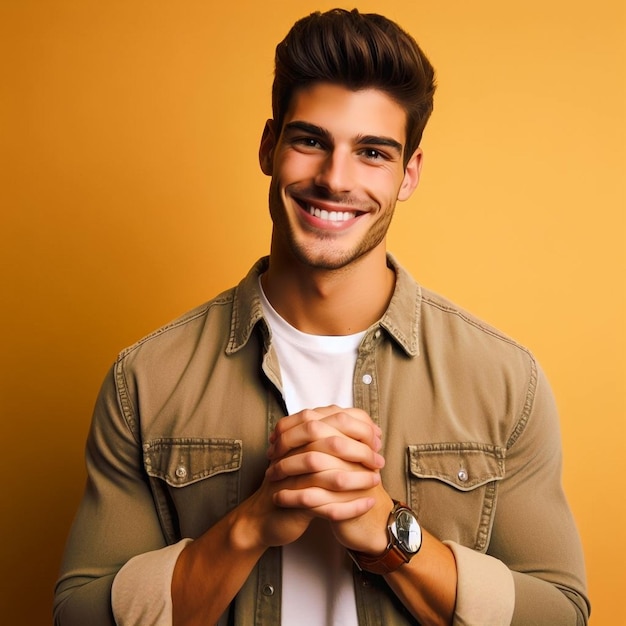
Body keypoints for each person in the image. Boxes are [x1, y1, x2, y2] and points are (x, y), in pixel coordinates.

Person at [54, 8, 590, 626]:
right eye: (310, 140)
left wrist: (387, 533)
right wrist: (250, 524)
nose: (335, 180)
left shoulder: (505, 381)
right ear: (268, 147)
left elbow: (563, 613)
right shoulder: (144, 379)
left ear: (408, 174)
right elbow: (77, 615)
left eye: (372, 152)